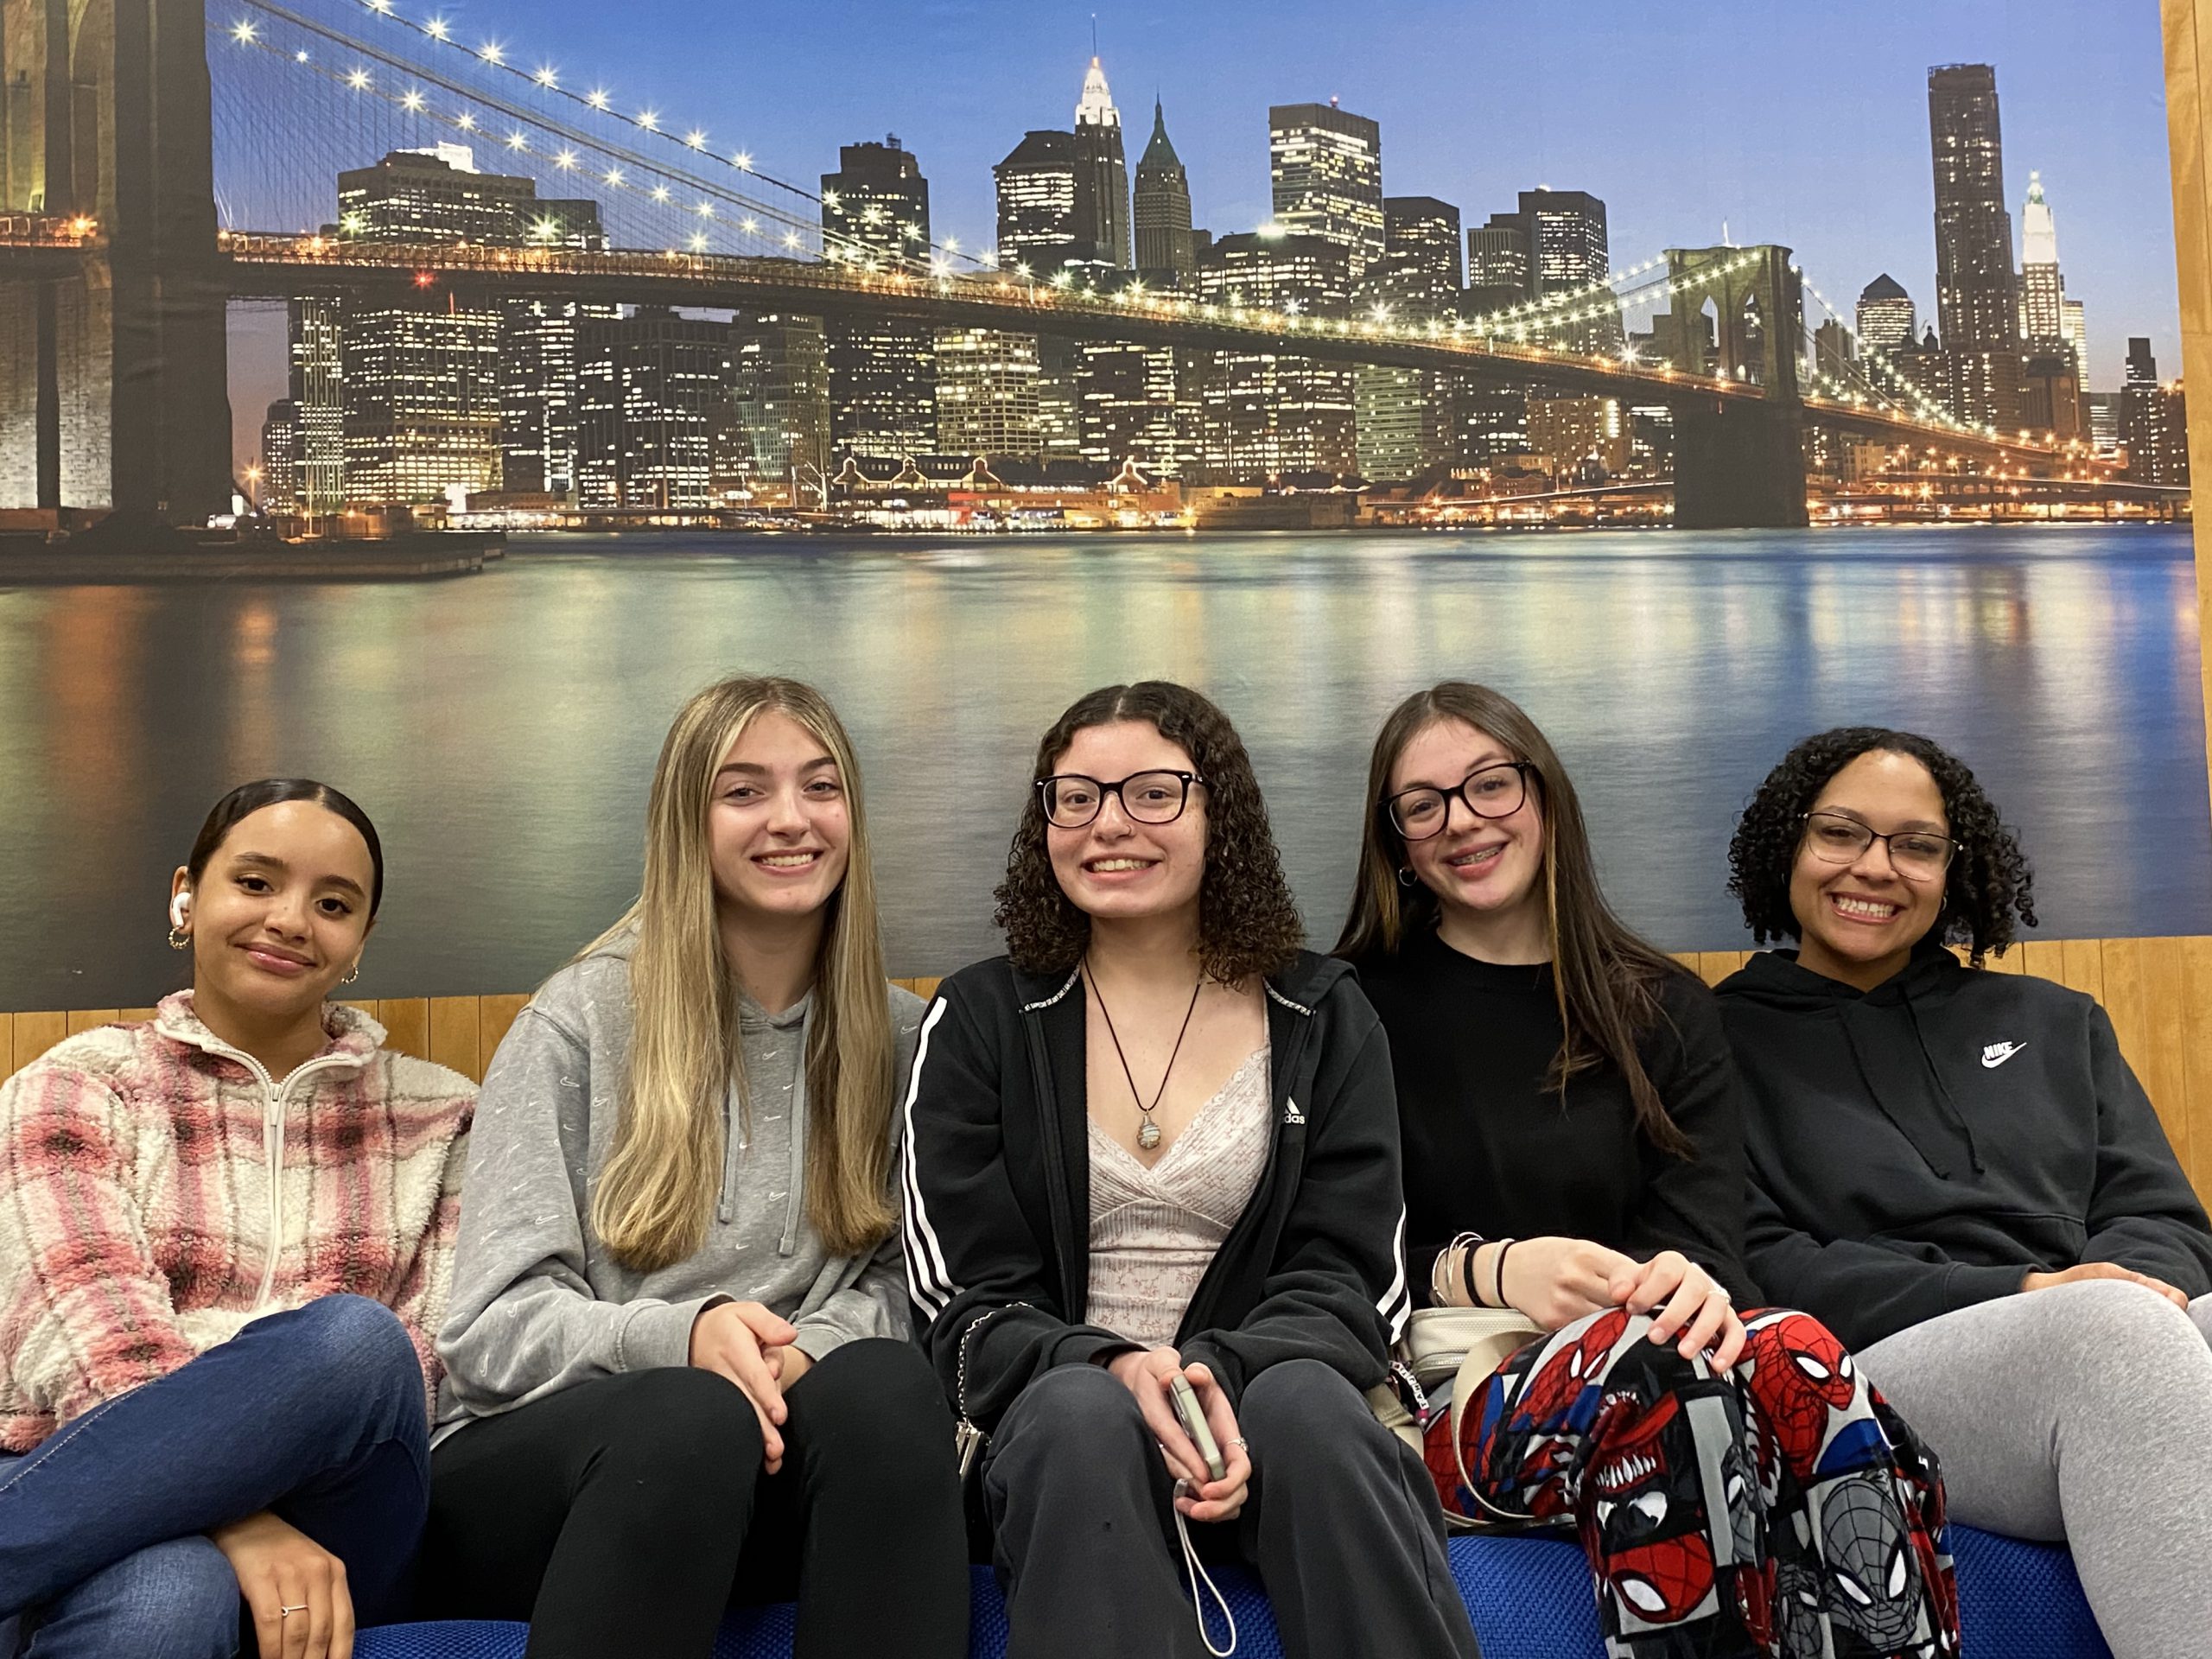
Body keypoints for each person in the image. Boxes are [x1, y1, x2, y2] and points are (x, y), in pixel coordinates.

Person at [1338, 683, 1961, 1659]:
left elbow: (1710, 1237)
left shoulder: (1663, 1004)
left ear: (1544, 797)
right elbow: (1321, 1245)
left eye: (1490, 785)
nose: (1461, 821)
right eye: (1424, 804)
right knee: (1660, 1367)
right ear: (1397, 839)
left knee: (1800, 1350)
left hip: (1649, 1364)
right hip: (1440, 1394)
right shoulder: (1349, 1007)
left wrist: (1686, 1279)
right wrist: (1490, 1266)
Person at [903, 680, 1479, 1659]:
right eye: (1074, 796)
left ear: (1222, 815)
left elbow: (1353, 1280)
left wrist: (1215, 1371)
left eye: (1153, 794)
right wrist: (1114, 1367)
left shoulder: (1323, 1015)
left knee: (1307, 1404)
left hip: (1268, 1403)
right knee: (1083, 1417)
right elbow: (960, 1302)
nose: (1107, 825)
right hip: (1054, 1432)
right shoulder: (981, 1021)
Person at [424, 675, 966, 1659]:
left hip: (776, 1470)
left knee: (886, 1387)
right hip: (559, 1482)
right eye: (744, 790)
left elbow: (904, 1284)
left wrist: (802, 1352)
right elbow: (486, 1334)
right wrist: (682, 1339)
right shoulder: (578, 1022)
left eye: (821, 786)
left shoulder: (904, 1038)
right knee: (689, 1416)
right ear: (687, 821)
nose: (792, 820)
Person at [1719, 725, 2212, 1659]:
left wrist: (2126, 1285)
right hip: (1868, 1369)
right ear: (1787, 847)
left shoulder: (2054, 1021)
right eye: (1841, 834)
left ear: (1955, 869)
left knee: (2148, 1325)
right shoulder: (1704, 1049)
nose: (1875, 867)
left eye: (1914, 845)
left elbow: (2161, 1214)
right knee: (2112, 1336)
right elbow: (1756, 1261)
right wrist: (2028, 1294)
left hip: (2098, 1330)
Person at [0, 779, 474, 1659]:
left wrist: (240, 1482)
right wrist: (234, 1517)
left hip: (347, 1525)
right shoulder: (75, 1086)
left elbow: (434, 1359)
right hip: (98, 1499)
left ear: (359, 943)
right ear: (187, 895)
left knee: (358, 1346)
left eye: (332, 904)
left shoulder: (445, 1118)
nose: (291, 920)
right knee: (168, 1601)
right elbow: (82, 1328)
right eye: (256, 883)